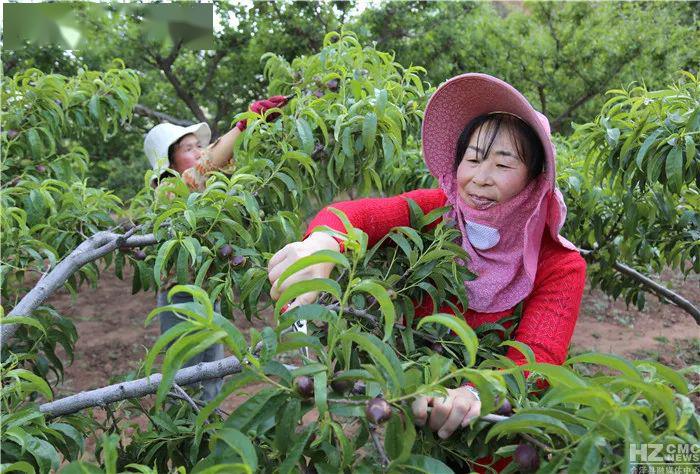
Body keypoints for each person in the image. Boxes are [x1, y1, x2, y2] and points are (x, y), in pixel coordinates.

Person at [266, 74, 586, 472]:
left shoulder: (559, 264)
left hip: (499, 442)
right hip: (414, 428)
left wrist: (477, 392)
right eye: (472, 159)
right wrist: (324, 243)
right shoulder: (437, 213)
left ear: (535, 180)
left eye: (503, 164)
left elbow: (537, 359)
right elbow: (360, 215)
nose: (480, 177)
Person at [143, 95, 289, 401]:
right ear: (168, 162)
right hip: (181, 297)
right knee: (187, 376)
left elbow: (217, 159)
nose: (199, 151)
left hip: (208, 292)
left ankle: (208, 433)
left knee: (213, 373)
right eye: (189, 148)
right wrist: (243, 124)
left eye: (199, 145)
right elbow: (206, 166)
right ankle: (186, 435)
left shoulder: (208, 191)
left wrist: (252, 129)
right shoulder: (168, 190)